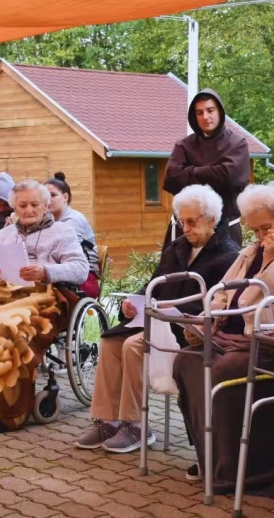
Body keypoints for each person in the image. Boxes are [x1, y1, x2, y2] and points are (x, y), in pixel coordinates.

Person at [173, 182, 274, 492]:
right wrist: (209, 321)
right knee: (187, 360)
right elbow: (223, 292)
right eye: (255, 230)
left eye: (265, 228)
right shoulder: (253, 249)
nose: (260, 237)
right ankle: (213, 458)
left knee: (224, 370)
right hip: (238, 336)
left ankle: (245, 469)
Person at [74, 184, 239, 453]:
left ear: (212, 220)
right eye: (181, 222)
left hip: (187, 332)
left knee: (133, 345)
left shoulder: (229, 255)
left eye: (191, 222)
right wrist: (133, 303)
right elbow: (154, 284)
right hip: (156, 320)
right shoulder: (177, 248)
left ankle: (135, 424)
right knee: (110, 342)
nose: (185, 228)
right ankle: (108, 420)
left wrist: (174, 309)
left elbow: (218, 304)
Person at [0, 179, 88, 435]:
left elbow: (81, 269)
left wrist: (45, 270)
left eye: (34, 204)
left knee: (9, 327)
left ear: (46, 205)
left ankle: (7, 411)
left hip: (43, 297)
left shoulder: (62, 232)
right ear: (14, 207)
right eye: (22, 205)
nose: (28, 210)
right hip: (3, 294)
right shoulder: (6, 233)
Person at [163, 89, 251, 246]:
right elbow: (171, 179)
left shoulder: (236, 144)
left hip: (225, 228)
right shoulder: (184, 145)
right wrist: (214, 171)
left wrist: (189, 171)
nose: (205, 117)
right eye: (199, 112)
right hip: (186, 231)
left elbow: (229, 178)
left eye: (210, 110)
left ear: (220, 112)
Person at [44, 172, 100, 298]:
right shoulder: (50, 220)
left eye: (53, 195)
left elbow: (62, 252)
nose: (48, 200)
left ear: (65, 197)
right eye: (45, 196)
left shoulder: (73, 220)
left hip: (83, 278)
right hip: (62, 273)